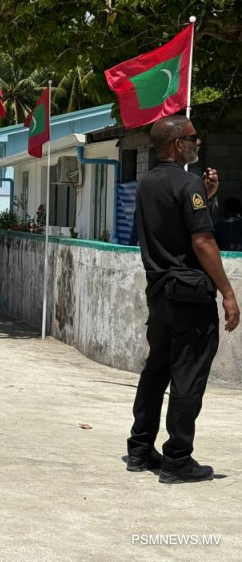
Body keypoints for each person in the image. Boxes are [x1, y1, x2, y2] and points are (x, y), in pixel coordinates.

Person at [126, 115, 238, 483]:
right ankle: (177, 459)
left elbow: (170, 223)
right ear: (177, 144)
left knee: (156, 371)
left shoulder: (147, 183)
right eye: (192, 137)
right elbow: (202, 241)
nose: (197, 142)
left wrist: (206, 196)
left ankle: (139, 450)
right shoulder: (187, 182)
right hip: (190, 294)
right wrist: (228, 293)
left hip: (159, 291)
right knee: (188, 377)